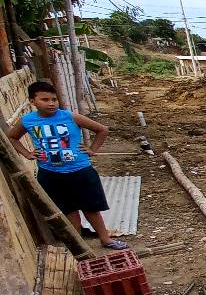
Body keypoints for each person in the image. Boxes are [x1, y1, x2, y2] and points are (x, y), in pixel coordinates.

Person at [7, 81, 127, 250]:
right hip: (50, 173)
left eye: (54, 99)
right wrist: (27, 153)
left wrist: (92, 149)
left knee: (90, 207)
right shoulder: (27, 121)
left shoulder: (70, 117)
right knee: (68, 209)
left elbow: (102, 130)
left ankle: (105, 239)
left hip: (80, 170)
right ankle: (79, 245)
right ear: (32, 101)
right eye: (45, 100)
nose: (51, 103)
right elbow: (12, 137)